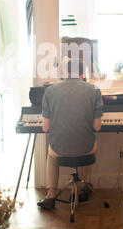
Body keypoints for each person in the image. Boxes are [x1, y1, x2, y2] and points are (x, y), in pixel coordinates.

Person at [37, 58, 103, 210]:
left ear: (65, 73)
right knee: (89, 145)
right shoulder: (94, 90)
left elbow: (45, 128)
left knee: (52, 154)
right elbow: (97, 127)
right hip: (85, 148)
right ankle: (79, 189)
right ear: (82, 74)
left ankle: (51, 195)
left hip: (59, 148)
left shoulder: (50, 91)